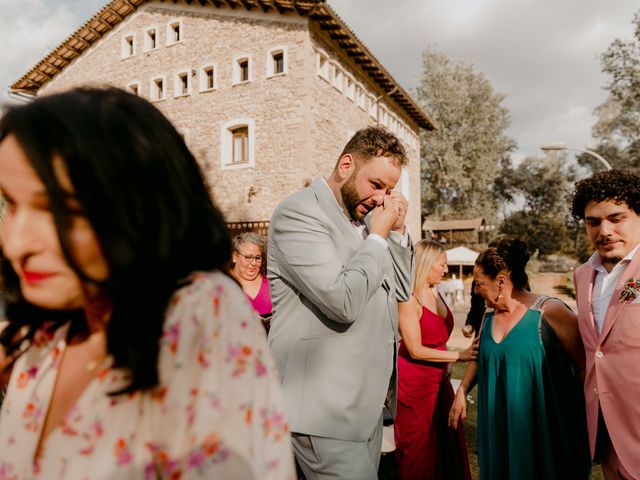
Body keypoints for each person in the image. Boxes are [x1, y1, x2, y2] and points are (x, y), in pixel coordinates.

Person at [0, 87, 294, 479]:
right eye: (11, 204)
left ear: (137, 207)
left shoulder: (200, 312)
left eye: (57, 210)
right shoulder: (47, 332)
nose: (15, 243)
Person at [267, 126, 413, 479]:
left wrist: (394, 233)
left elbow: (402, 290)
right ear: (346, 165)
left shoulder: (365, 222)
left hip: (363, 405)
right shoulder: (300, 214)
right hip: (322, 409)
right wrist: (377, 237)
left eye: (389, 190)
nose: (382, 199)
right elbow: (342, 300)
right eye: (376, 185)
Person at [449, 237, 590, 480]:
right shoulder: (489, 316)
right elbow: (478, 355)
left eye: (479, 283)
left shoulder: (550, 311)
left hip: (540, 427)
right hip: (498, 425)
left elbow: (585, 367)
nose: (474, 290)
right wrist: (462, 391)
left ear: (501, 281)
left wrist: (583, 422)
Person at [570, 170, 640, 479]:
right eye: (594, 222)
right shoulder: (582, 276)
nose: (605, 230)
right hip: (605, 426)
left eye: (617, 218)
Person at [394, 240, 476, 480]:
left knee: (446, 443)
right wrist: (458, 356)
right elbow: (415, 349)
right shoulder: (408, 299)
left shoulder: (435, 291)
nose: (446, 270)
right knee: (419, 449)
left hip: (440, 379)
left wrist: (448, 365)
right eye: (442, 265)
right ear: (426, 264)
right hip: (415, 382)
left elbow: (439, 338)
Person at [230, 232, 272, 329]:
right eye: (248, 257)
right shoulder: (225, 284)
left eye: (258, 258)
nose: (253, 263)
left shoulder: (270, 282)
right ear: (234, 257)